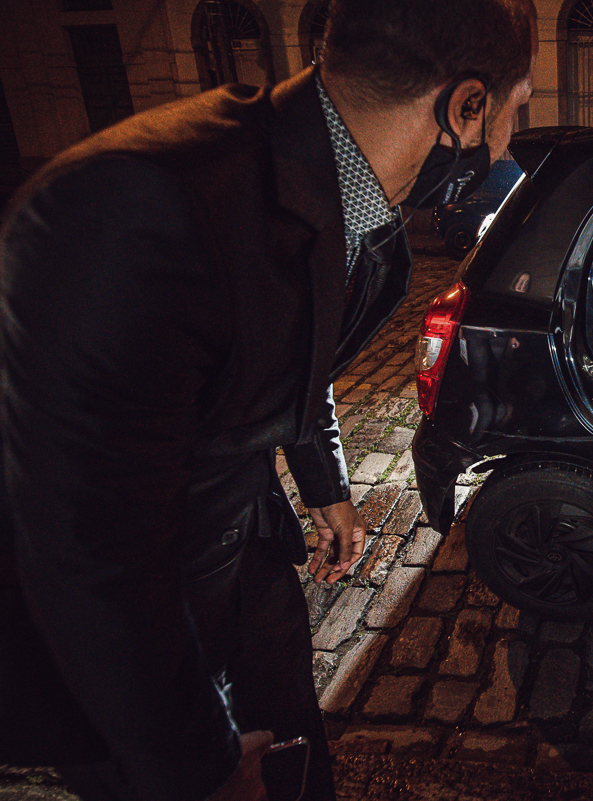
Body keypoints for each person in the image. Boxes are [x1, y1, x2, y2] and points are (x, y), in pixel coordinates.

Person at [0, 0, 535, 798]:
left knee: (295, 760)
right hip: (132, 652)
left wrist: (327, 486)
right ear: (466, 106)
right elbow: (89, 543)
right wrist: (198, 769)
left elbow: (294, 355)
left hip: (246, 563)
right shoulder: (133, 203)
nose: (508, 142)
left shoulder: (369, 218)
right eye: (513, 113)